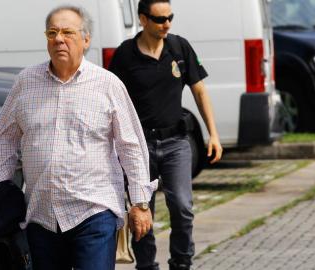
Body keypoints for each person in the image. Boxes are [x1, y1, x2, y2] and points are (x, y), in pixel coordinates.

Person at [0, 5, 158, 270]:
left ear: (86, 40)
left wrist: (140, 202)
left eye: (67, 32)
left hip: (93, 212)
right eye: (52, 32)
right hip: (41, 214)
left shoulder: (107, 84)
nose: (58, 39)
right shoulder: (25, 82)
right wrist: (1, 188)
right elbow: (3, 135)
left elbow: (130, 145)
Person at [109, 0, 223, 269]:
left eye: (170, 17)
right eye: (160, 19)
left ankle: (181, 263)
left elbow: (199, 92)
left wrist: (213, 134)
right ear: (143, 19)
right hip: (139, 146)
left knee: (183, 207)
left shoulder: (179, 47)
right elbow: (111, 101)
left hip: (176, 143)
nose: (167, 24)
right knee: (142, 211)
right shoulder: (125, 55)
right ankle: (147, 265)